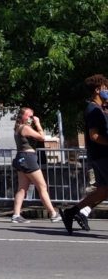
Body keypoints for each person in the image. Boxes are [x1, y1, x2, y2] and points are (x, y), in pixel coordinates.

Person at [60, 75, 108, 234]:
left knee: (103, 190)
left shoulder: (100, 108)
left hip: (101, 155)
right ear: (98, 89)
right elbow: (94, 135)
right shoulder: (93, 109)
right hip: (101, 155)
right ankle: (73, 212)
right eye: (105, 88)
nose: (107, 90)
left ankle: (71, 212)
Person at [11, 107, 59, 224]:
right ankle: (53, 213)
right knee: (42, 186)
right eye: (28, 116)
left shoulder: (18, 128)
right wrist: (38, 124)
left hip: (21, 158)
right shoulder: (25, 128)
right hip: (28, 159)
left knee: (22, 188)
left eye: (32, 116)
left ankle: (16, 215)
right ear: (22, 117)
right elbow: (42, 137)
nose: (31, 119)